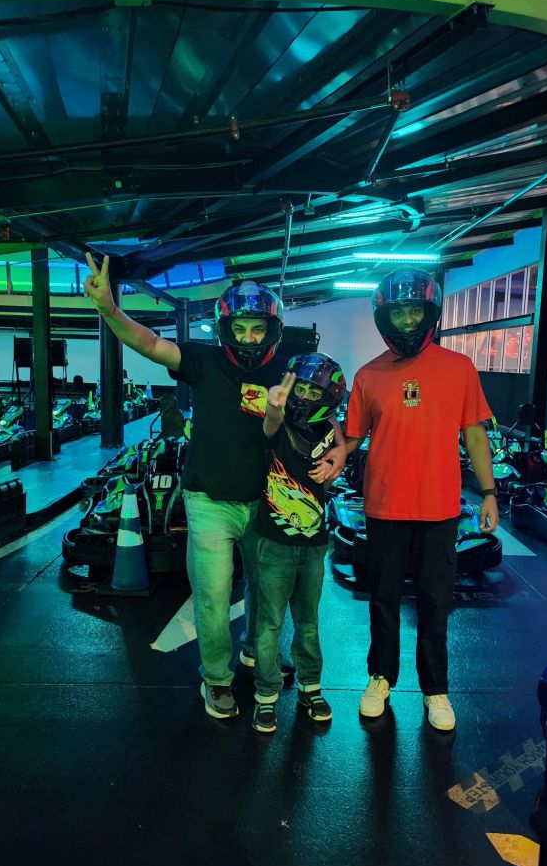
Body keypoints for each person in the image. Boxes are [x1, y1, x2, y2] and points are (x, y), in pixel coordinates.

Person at [83, 254, 344, 720]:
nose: (249, 337)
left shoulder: (286, 372)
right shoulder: (203, 361)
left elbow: (322, 407)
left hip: (268, 501)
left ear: (272, 330)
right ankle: (218, 679)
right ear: (226, 328)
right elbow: (151, 344)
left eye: (258, 329)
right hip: (209, 501)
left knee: (266, 592)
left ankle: (255, 652)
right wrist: (110, 309)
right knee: (214, 594)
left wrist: (339, 451)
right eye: (240, 328)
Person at [343, 269, 497, 731]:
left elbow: (474, 434)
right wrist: (321, 451)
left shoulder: (459, 368)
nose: (408, 320)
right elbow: (351, 438)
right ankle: (380, 678)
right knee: (383, 600)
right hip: (384, 506)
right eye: (399, 313)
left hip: (439, 509)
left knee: (435, 602)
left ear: (429, 313)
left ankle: (435, 690)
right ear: (385, 318)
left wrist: (489, 494)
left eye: (415, 311)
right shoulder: (368, 375)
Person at [251, 353, 346, 734]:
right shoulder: (278, 424)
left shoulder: (329, 433)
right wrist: (275, 407)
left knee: (308, 623)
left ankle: (311, 687)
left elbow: (340, 436)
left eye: (313, 391)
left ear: (328, 398)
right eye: (300, 388)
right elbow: (270, 425)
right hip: (274, 542)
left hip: (314, 544)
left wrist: (338, 456)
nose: (304, 396)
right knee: (269, 624)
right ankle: (266, 695)